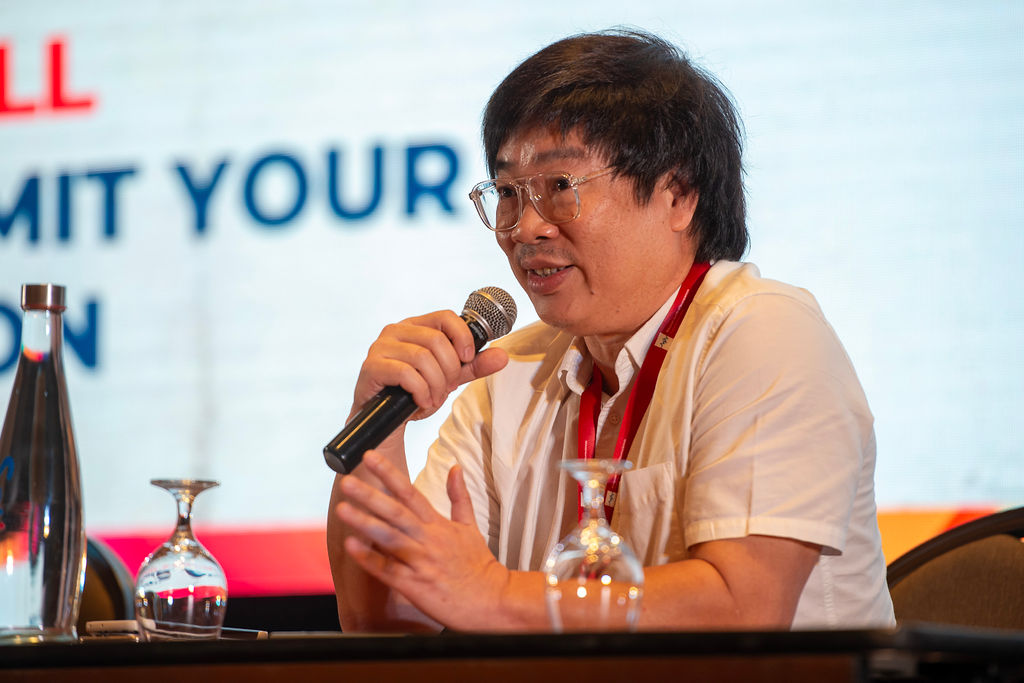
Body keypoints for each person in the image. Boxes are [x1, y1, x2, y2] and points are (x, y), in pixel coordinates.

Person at [327, 29, 895, 633]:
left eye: (560, 187)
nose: (526, 228)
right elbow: (380, 621)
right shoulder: (508, 372)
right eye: (509, 193)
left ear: (678, 195)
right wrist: (377, 428)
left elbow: (744, 608)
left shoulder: (765, 332)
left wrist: (494, 595)